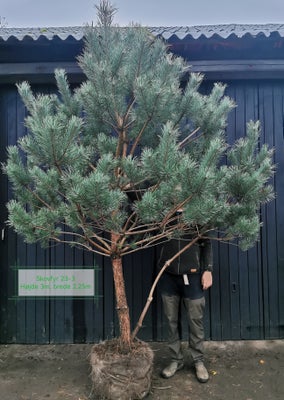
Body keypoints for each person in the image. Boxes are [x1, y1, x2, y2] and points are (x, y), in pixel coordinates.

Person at [158, 224, 213, 383]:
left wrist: (208, 269)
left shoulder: (197, 214)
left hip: (193, 276)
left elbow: (207, 242)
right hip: (168, 276)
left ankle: (198, 360)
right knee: (171, 321)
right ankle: (176, 359)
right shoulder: (164, 214)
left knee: (195, 320)